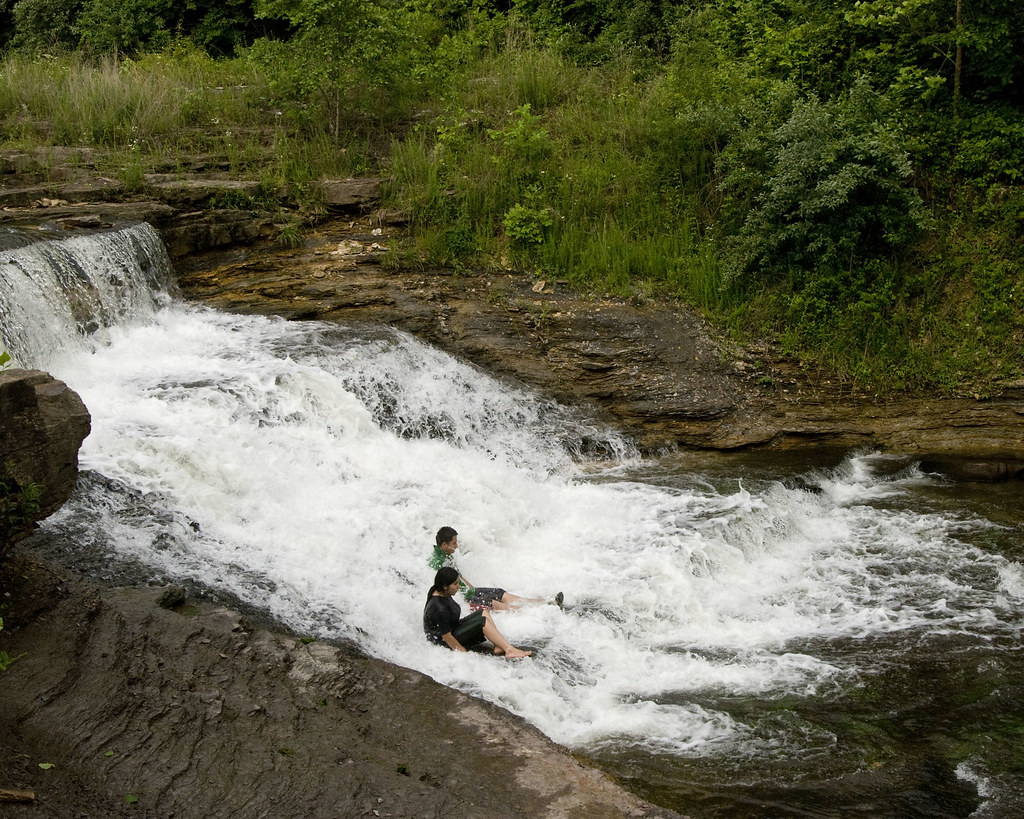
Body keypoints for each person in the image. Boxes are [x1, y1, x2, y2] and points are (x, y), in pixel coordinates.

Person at [428, 525, 562, 611]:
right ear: (444, 544)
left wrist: (473, 589)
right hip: (465, 599)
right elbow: (443, 588)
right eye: (454, 543)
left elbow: (459, 577)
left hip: (470, 592)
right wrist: (466, 600)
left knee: (499, 592)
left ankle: (544, 602)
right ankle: (537, 612)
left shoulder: (447, 556)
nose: (457, 546)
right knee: (502, 606)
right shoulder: (438, 562)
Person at [423, 567, 531, 659]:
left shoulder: (440, 591)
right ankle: (509, 650)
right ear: (445, 586)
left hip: (453, 628)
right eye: (455, 584)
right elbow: (447, 637)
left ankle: (498, 645)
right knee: (482, 622)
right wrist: (464, 655)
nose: (458, 586)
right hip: (445, 642)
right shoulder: (440, 608)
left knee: (483, 612)